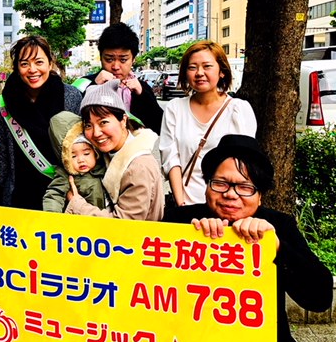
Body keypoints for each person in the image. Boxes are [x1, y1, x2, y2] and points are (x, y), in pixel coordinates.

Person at [163, 134, 333, 342]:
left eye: (245, 187)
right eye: (220, 183)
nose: (230, 194)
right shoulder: (179, 220)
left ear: (260, 195)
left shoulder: (279, 225)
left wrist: (276, 247)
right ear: (207, 186)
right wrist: (191, 239)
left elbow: (320, 299)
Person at [0, 35, 82, 210]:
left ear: (50, 64)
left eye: (39, 62)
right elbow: (1, 154)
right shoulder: (6, 102)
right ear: (16, 67)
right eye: (24, 64)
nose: (32, 70)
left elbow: (82, 147)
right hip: (18, 195)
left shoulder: (71, 96)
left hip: (61, 195)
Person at [159, 40, 257, 206]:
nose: (199, 73)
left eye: (207, 66)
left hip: (227, 204)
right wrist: (181, 203)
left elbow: (246, 164)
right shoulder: (175, 108)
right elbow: (170, 159)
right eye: (192, 67)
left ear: (222, 72)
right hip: (186, 204)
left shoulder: (239, 109)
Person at [66, 79, 164, 220]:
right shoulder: (106, 153)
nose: (96, 133)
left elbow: (124, 224)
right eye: (88, 125)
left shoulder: (138, 167)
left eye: (103, 122)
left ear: (123, 120)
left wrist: (77, 205)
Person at [74, 23, 163, 134]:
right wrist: (94, 87)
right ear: (101, 57)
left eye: (123, 60)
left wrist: (142, 95)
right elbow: (74, 122)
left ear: (133, 59)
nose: (116, 67)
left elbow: (160, 127)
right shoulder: (85, 83)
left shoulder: (142, 88)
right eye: (109, 59)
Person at [43, 111, 107, 213]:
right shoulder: (65, 175)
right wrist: (52, 217)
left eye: (86, 153)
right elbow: (54, 195)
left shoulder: (105, 167)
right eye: (73, 156)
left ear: (95, 152)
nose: (81, 160)